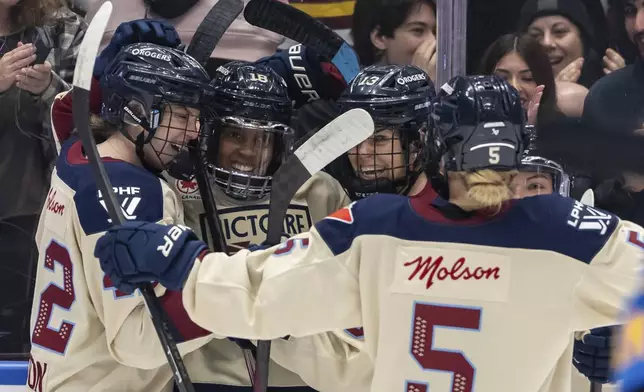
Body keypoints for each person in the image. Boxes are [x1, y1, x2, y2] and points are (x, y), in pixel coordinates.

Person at [97, 75, 643, 392]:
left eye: (494, 171)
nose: (486, 184)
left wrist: (181, 264)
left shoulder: (375, 227)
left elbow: (256, 291)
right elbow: (261, 290)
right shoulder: (570, 237)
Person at [28, 43, 217, 391]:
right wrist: (228, 294)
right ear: (134, 112)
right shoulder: (136, 192)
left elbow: (66, 111)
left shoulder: (76, 155)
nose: (193, 132)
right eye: (181, 115)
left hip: (58, 378)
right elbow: (139, 340)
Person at [0, 0, 87, 355]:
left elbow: (89, 125)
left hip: (32, 210)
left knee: (20, 336)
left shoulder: (63, 29)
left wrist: (50, 90)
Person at [325, 64, 434, 200]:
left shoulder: (443, 216)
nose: (363, 152)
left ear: (417, 146)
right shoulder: (329, 200)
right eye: (354, 138)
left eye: (379, 138)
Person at [518, 0, 610, 87]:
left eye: (559, 31)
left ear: (582, 38)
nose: (547, 43)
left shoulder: (607, 85)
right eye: (535, 35)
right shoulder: (516, 90)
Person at [351, 0, 437, 81]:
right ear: (379, 38)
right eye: (418, 30)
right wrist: (421, 85)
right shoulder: (359, 93)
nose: (434, 41)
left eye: (434, 31)